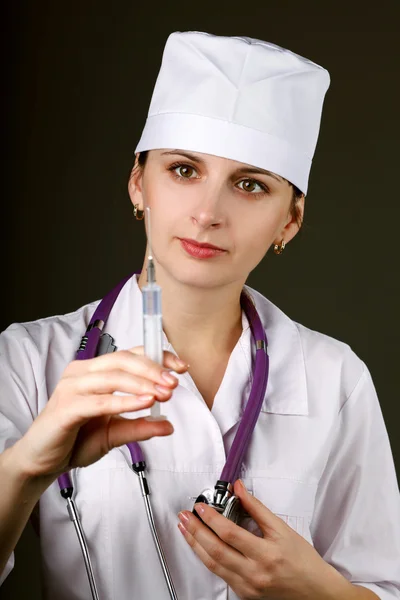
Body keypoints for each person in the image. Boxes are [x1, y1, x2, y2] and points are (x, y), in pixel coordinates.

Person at [1, 30, 399, 600]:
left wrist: (321, 593)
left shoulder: (335, 377)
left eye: (250, 185)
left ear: (289, 221)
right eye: (184, 170)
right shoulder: (25, 359)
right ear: (139, 183)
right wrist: (23, 471)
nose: (208, 212)